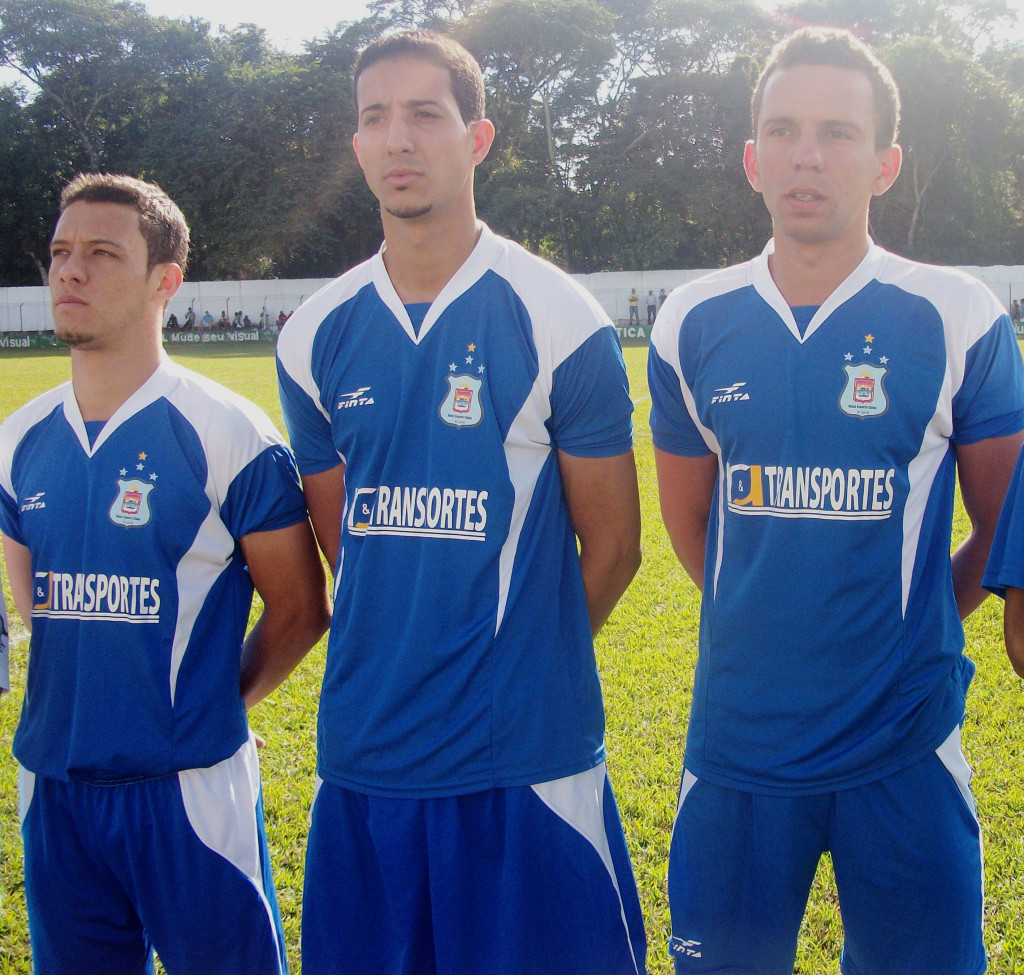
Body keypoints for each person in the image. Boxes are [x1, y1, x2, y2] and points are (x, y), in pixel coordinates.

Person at [648, 27, 1024, 975]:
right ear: (751, 159)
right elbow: (690, 525)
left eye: (837, 132)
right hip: (738, 745)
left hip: (904, 742)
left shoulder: (957, 315)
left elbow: (1002, 524)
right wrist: (766, 610)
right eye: (782, 130)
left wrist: (923, 610)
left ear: (886, 163)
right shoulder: (693, 320)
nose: (806, 154)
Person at [276, 29, 646, 975]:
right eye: (374, 119)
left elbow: (612, 549)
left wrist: (524, 655)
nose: (398, 139)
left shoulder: (561, 317)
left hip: (524, 758)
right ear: (356, 145)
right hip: (369, 754)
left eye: (424, 114)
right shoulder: (314, 335)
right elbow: (347, 548)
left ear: (477, 138)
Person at [0, 172, 331, 975]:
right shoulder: (19, 439)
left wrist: (216, 705)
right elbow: (36, 615)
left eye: (102, 253)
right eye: (60, 252)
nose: (70, 271)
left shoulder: (229, 434)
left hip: (189, 794)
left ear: (165, 282)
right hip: (55, 790)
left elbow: (301, 609)